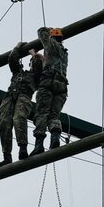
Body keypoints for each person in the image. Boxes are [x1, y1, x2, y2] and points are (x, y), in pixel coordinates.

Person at [0, 43, 35, 167]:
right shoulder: (18, 72)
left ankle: (23, 148)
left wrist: (32, 53)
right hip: (10, 97)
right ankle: (7, 156)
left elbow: (39, 63)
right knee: (3, 122)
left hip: (24, 96)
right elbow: (12, 59)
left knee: (19, 118)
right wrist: (17, 47)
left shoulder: (36, 75)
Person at [30, 27, 68, 155]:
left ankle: (39, 144)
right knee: (54, 115)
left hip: (48, 83)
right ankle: (55, 138)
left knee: (42, 113)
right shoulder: (64, 53)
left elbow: (41, 31)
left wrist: (48, 29)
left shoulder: (51, 44)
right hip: (62, 85)